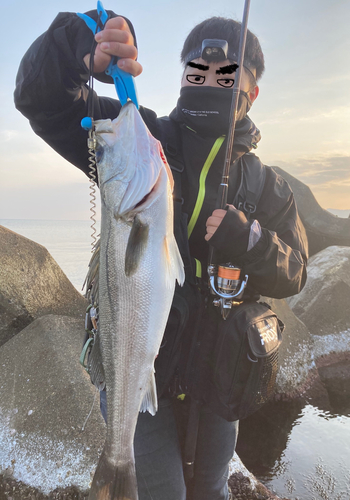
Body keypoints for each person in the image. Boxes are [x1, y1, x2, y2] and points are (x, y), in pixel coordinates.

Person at [14, 9, 308, 500]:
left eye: (227, 74)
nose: (209, 79)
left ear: (251, 92)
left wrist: (252, 243)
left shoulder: (268, 187)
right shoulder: (141, 141)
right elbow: (41, 101)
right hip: (142, 379)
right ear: (182, 76)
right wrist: (80, 46)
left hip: (221, 383)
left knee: (211, 490)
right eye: (197, 70)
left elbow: (295, 272)